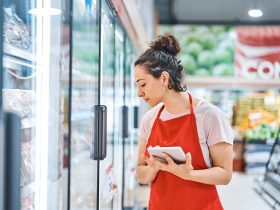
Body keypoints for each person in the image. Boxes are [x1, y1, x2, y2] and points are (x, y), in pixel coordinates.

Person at [134, 34, 234, 210]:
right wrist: (153, 168)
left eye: (142, 84)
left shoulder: (209, 116)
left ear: (164, 79)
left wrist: (188, 174)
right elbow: (141, 174)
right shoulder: (149, 120)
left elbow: (225, 174)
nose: (139, 93)